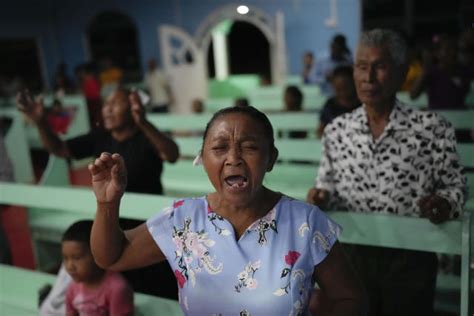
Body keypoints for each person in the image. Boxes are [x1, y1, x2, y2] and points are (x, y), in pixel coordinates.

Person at [88, 105, 367, 315]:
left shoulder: (305, 223)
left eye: (249, 147)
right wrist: (107, 204)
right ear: (203, 158)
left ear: (271, 159)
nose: (233, 158)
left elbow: (350, 299)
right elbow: (111, 257)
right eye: (219, 148)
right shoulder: (182, 220)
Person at [307, 29, 468, 316]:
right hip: (352, 253)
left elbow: (456, 188)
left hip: (411, 255)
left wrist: (443, 203)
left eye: (379, 67)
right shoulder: (337, 130)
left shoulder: (431, 128)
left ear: (402, 72)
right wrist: (320, 198)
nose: (367, 78)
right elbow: (326, 186)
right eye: (361, 66)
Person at [17, 87, 180, 298]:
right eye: (106, 104)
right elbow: (60, 149)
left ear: (133, 108)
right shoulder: (100, 137)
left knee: (157, 286)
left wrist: (144, 122)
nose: (107, 110)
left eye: (115, 104)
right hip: (113, 222)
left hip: (147, 226)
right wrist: (40, 121)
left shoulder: (146, 136)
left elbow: (172, 154)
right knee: (122, 286)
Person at [62, 220, 134, 315]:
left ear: (97, 253)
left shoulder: (116, 289)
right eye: (65, 258)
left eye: (77, 258)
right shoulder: (73, 287)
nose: (70, 266)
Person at [410, 34, 474, 110]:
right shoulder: (431, 72)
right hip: (438, 116)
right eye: (448, 50)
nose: (453, 53)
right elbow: (413, 95)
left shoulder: (465, 71)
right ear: (437, 53)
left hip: (462, 117)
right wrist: (425, 71)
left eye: (456, 49)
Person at [317, 66, 360, 138]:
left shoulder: (362, 105)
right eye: (338, 89)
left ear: (354, 84)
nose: (342, 93)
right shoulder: (330, 105)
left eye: (346, 88)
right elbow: (320, 130)